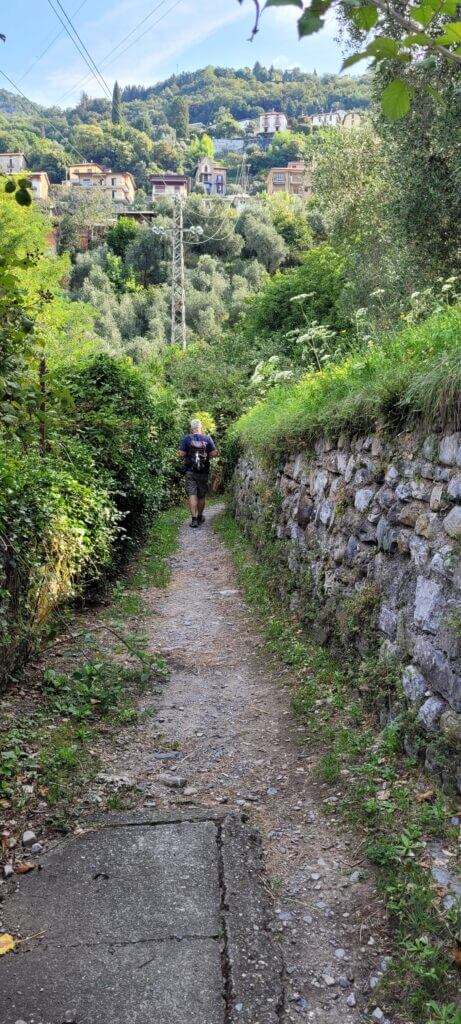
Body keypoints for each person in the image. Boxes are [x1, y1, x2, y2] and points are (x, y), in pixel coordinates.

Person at [178, 419, 218, 528]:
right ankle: (200, 516)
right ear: (201, 428)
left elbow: (181, 454)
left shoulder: (187, 438)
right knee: (201, 495)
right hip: (203, 471)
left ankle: (194, 519)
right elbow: (214, 453)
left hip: (190, 471)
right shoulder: (207, 438)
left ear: (192, 428)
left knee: (192, 494)